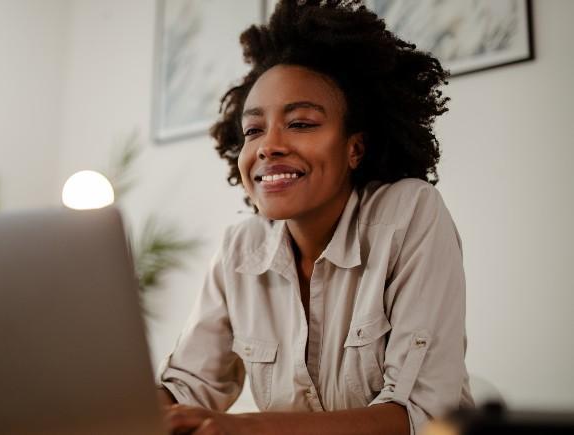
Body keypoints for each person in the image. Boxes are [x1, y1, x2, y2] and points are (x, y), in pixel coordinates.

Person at [156, 1, 475, 434]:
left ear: (355, 148)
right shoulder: (240, 248)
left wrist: (245, 428)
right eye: (253, 130)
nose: (268, 145)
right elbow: (190, 385)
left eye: (301, 123)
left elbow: (419, 414)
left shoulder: (408, 213)